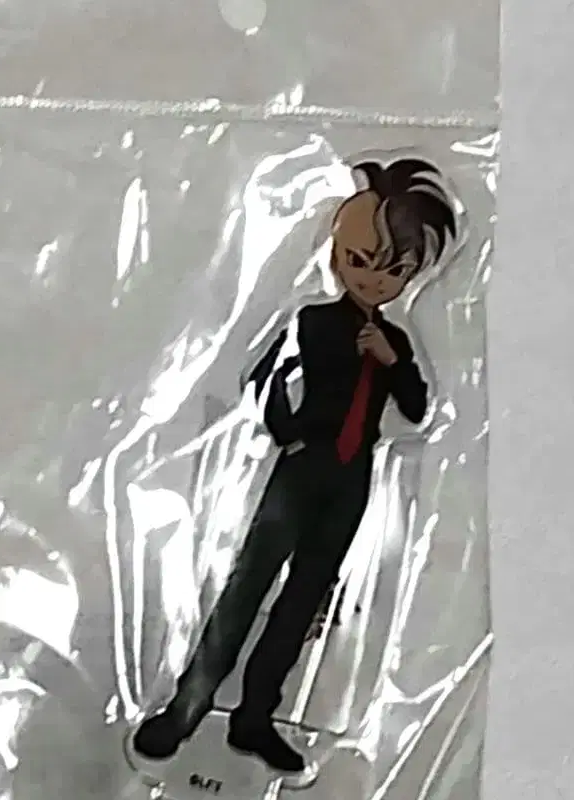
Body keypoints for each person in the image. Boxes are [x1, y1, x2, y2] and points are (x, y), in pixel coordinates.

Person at [133, 157, 456, 773]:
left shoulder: (396, 341)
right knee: (247, 587)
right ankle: (186, 708)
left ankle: (256, 716)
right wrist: (292, 434)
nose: (375, 278)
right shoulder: (313, 320)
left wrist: (392, 362)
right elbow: (265, 379)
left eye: (395, 268)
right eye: (361, 260)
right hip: (303, 469)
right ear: (338, 254)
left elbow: (416, 409)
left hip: (353, 479)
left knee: (304, 601)